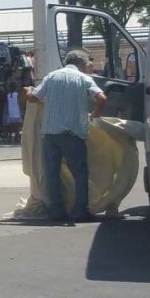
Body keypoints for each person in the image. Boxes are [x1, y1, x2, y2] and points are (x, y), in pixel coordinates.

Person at [26, 50, 107, 224]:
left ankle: (57, 211)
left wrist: (28, 90)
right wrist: (95, 114)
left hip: (50, 134)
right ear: (82, 64)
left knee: (52, 174)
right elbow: (102, 98)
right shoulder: (84, 79)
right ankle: (80, 211)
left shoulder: (51, 77)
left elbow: (32, 98)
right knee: (80, 173)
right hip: (73, 134)